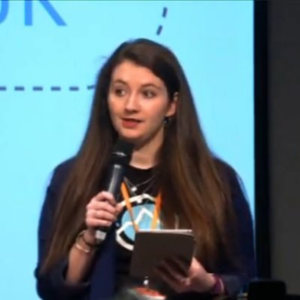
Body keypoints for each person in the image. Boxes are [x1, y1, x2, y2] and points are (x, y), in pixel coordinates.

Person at [34, 38, 255, 300]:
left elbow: (244, 279)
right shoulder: (71, 179)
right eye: (120, 91)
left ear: (172, 105)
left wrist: (207, 283)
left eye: (147, 93)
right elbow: (51, 288)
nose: (130, 105)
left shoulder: (216, 180)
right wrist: (89, 239)